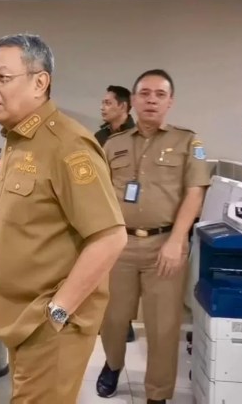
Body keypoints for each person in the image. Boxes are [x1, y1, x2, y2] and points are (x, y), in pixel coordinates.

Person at [0, 33, 127, 403]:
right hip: (20, 319)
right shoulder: (18, 141)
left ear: (40, 82)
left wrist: (57, 312)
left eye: (2, 77)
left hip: (48, 322)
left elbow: (110, 237)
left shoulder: (67, 145)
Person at [97, 69, 210, 404]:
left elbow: (195, 192)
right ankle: (113, 364)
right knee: (112, 317)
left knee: (163, 326)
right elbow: (98, 194)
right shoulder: (113, 144)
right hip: (119, 243)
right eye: (145, 93)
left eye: (160, 94)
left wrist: (177, 240)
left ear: (170, 101)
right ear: (133, 100)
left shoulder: (188, 142)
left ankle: (157, 394)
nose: (151, 100)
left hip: (166, 244)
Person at [97, 85, 138, 343]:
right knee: (103, 269)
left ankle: (124, 325)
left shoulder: (137, 136)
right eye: (103, 102)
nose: (102, 107)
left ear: (123, 106)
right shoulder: (100, 136)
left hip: (128, 214)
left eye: (108, 103)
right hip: (102, 211)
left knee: (124, 275)